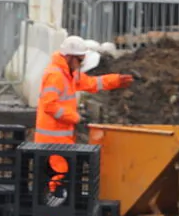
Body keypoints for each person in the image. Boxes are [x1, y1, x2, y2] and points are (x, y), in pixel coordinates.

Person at [32, 35, 128, 189]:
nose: (81, 64)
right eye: (80, 60)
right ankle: (54, 213)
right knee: (57, 182)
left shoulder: (68, 73)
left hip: (61, 140)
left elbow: (91, 83)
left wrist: (116, 80)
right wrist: (75, 118)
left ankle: (56, 212)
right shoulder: (55, 75)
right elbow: (50, 105)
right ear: (69, 57)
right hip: (51, 141)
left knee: (61, 181)